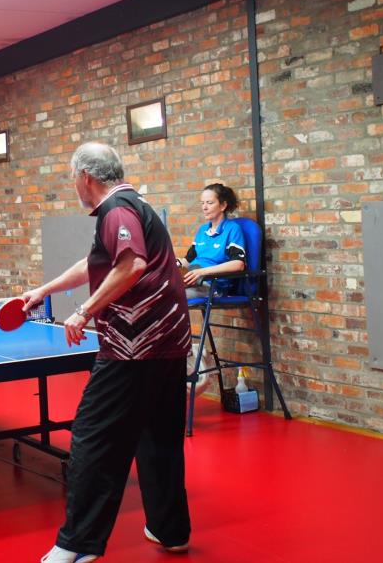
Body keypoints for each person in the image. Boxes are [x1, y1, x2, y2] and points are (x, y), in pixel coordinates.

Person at [22, 142, 192, 563]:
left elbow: (131, 265)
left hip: (133, 348)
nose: (74, 185)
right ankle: (170, 530)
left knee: (93, 439)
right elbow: (96, 262)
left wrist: (84, 311)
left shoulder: (116, 210)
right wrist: (45, 290)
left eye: (73, 178)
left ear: (85, 177)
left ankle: (77, 545)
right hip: (169, 342)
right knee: (159, 436)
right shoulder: (135, 205)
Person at [179, 183, 246, 300]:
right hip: (192, 280)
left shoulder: (233, 229)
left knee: (172, 297)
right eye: (202, 203)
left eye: (209, 203)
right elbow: (187, 261)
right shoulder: (202, 230)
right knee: (157, 291)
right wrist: (172, 264)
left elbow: (238, 264)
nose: (204, 207)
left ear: (223, 205)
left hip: (212, 285)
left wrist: (202, 272)